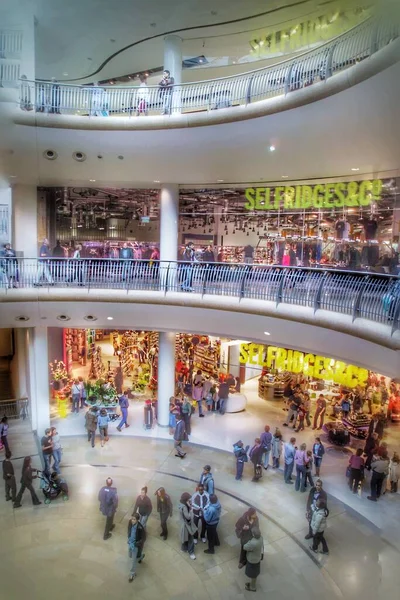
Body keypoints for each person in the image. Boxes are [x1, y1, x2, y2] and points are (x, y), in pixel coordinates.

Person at [243, 526, 264, 592]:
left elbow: (245, 547)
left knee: (253, 574)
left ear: (253, 534)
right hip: (257, 558)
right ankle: (252, 584)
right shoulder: (261, 538)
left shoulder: (253, 543)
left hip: (252, 560)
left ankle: (252, 587)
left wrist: (248, 541)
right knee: (254, 574)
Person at [127, 513, 146, 581]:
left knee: (133, 561)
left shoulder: (140, 528)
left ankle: (132, 574)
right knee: (130, 555)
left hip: (135, 545)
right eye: (132, 518)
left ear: (137, 520)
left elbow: (143, 538)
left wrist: (136, 543)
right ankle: (141, 557)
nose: (132, 520)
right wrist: (129, 537)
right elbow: (129, 529)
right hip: (130, 543)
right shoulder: (130, 522)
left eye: (134, 519)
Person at [178, 492, 197, 560]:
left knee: (185, 537)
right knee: (191, 539)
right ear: (186, 499)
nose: (190, 500)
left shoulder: (181, 504)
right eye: (189, 499)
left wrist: (189, 505)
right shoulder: (184, 507)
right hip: (187, 526)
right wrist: (191, 510)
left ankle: (184, 549)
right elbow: (188, 517)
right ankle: (191, 552)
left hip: (183, 524)